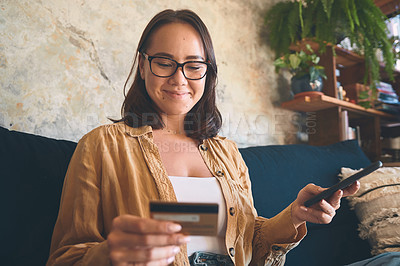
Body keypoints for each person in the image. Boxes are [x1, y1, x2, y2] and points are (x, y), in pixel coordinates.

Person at [46, 9, 360, 266]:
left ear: (207, 73)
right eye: (164, 62)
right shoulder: (102, 146)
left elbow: (248, 240)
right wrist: (108, 256)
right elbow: (65, 258)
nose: (179, 78)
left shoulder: (227, 152)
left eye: (193, 65)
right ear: (143, 66)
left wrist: (294, 215)